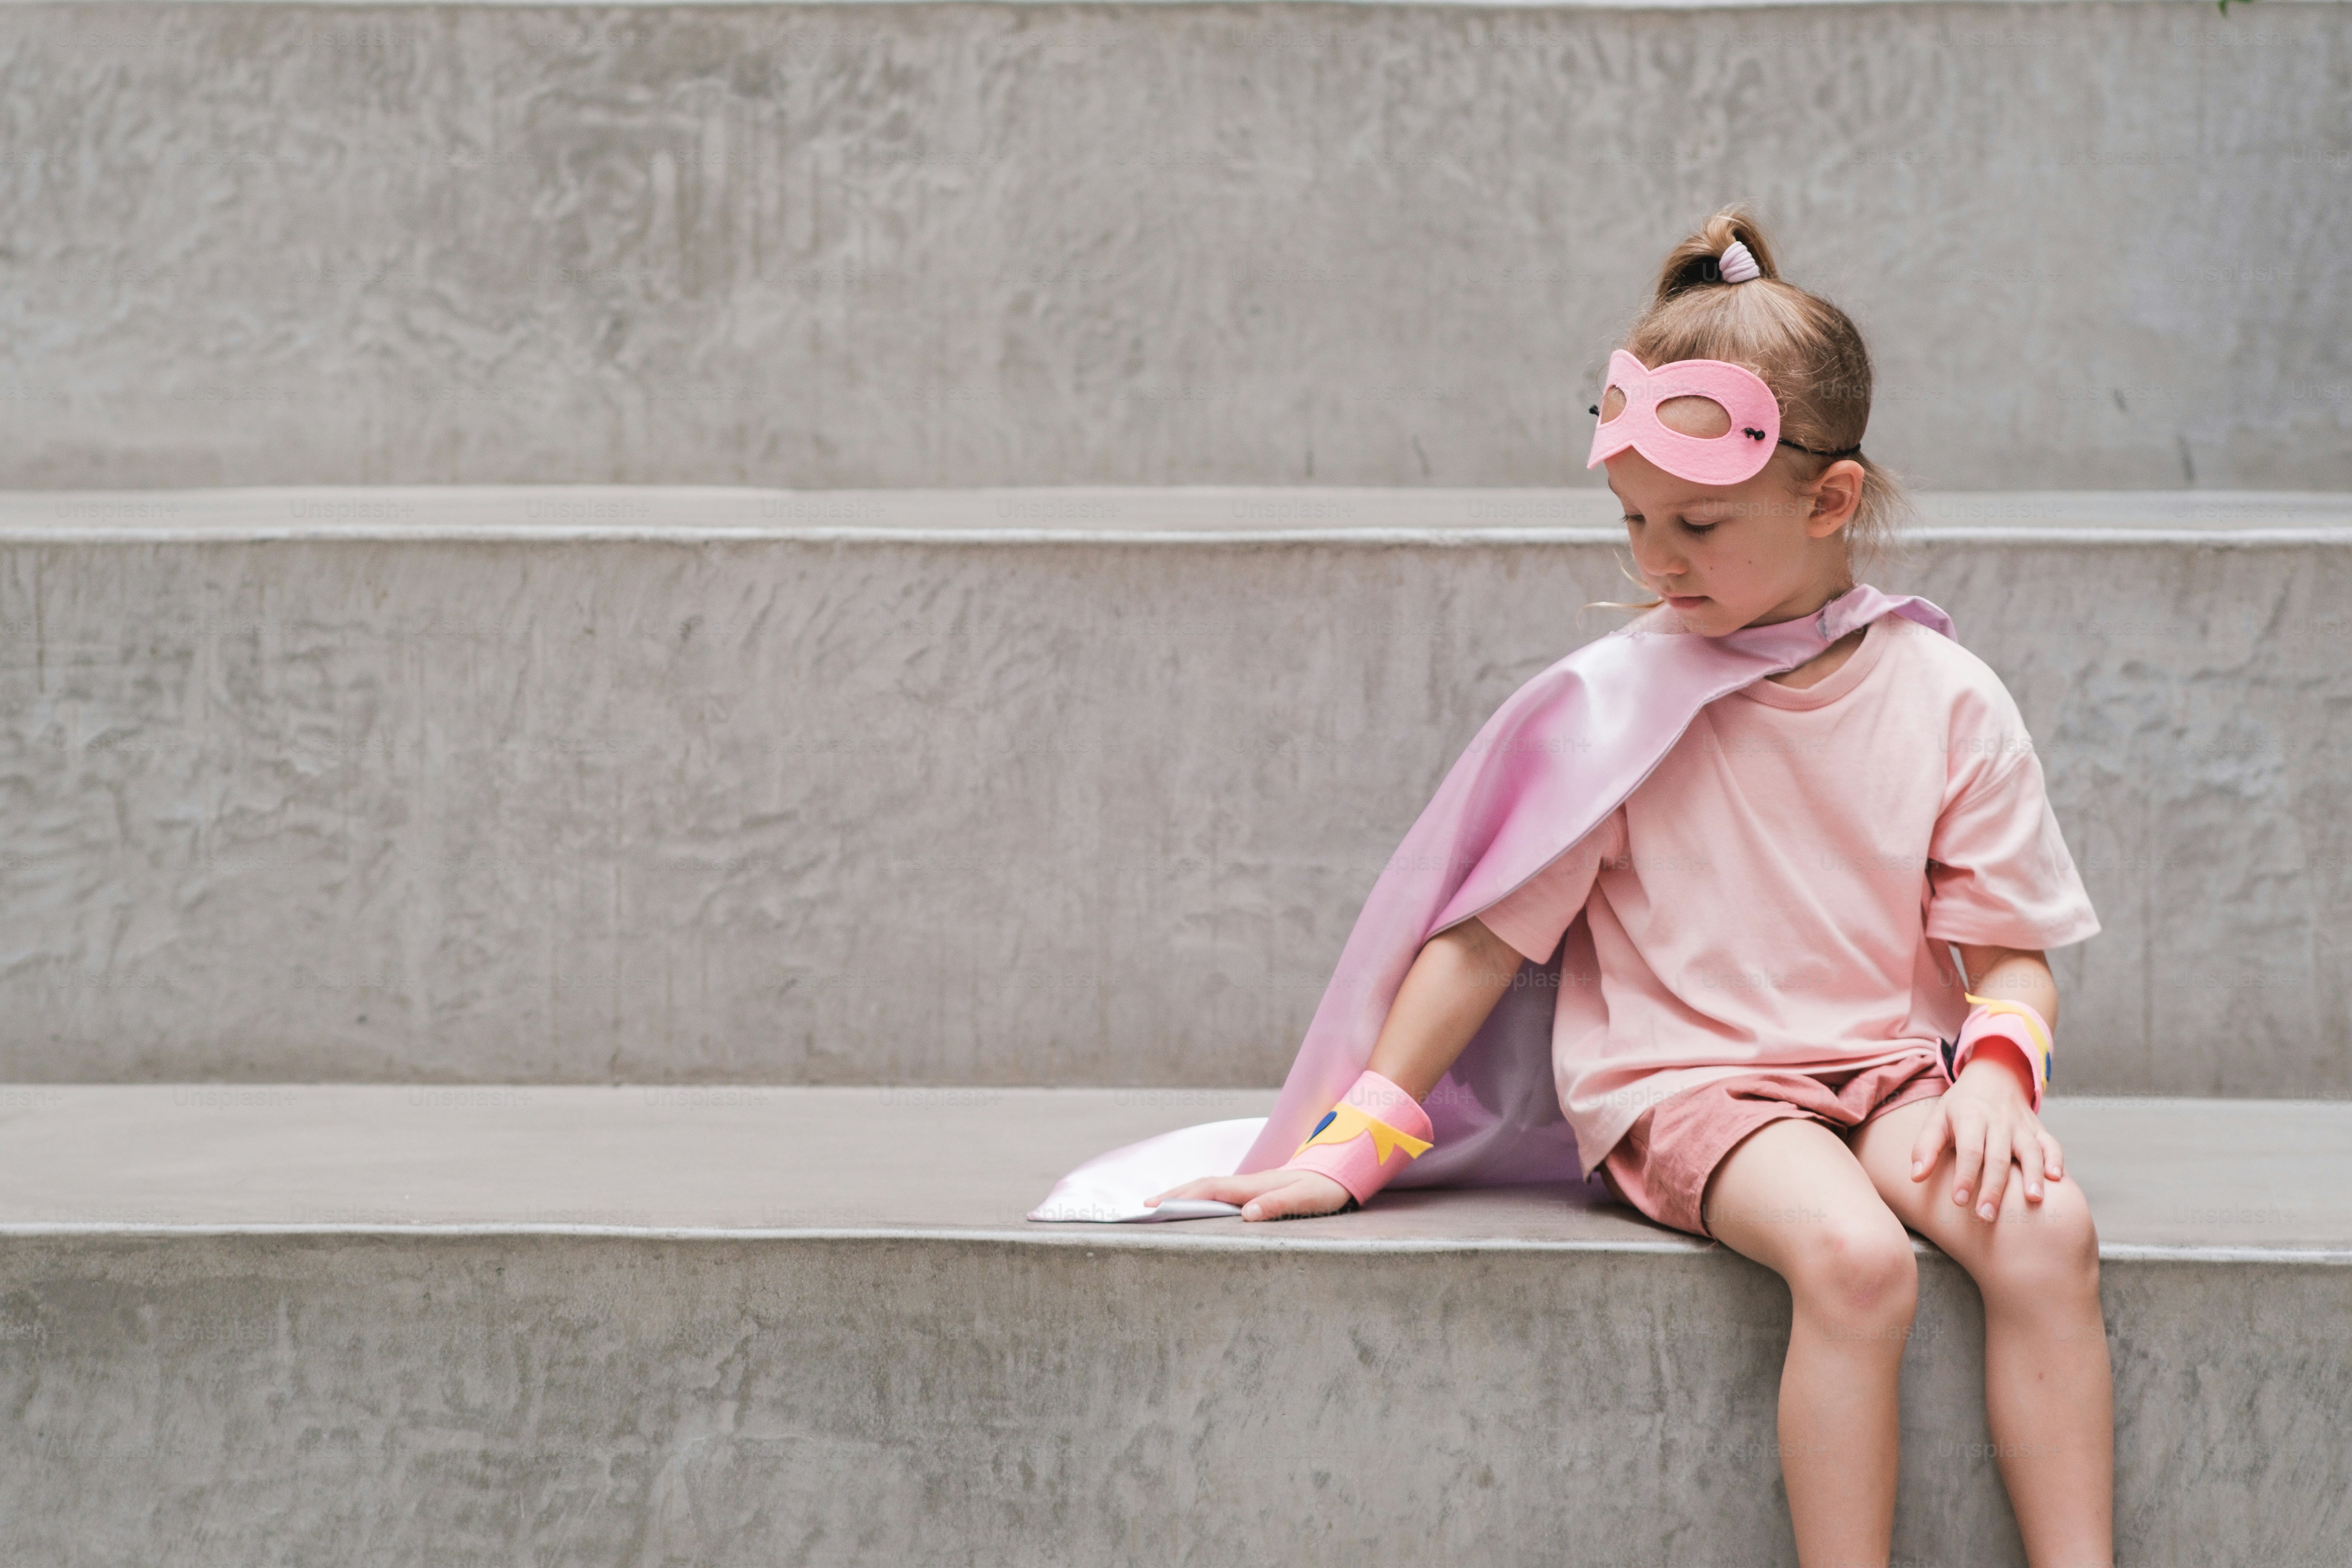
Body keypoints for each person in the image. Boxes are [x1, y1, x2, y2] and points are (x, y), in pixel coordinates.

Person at [1147, 206, 2113, 1568]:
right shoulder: (1621, 707)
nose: (1656, 561)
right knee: (1855, 1260)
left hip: (1890, 1067)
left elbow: (2006, 952)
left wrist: (2001, 1073)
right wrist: (1354, 1141)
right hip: (1690, 1081)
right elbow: (1482, 943)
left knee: (2047, 1233)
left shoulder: (1947, 694)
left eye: (1699, 524)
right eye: (1636, 521)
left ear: (1830, 503)